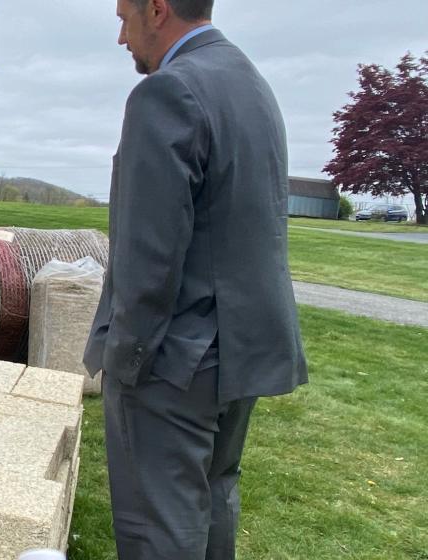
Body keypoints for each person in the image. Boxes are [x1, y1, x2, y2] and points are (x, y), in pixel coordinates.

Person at [83, 1, 308, 558]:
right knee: (212, 506)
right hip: (240, 355)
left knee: (159, 530)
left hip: (174, 365)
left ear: (156, 9)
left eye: (123, 17)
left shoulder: (168, 91)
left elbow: (148, 253)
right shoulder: (249, 82)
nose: (120, 37)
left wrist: (125, 363)